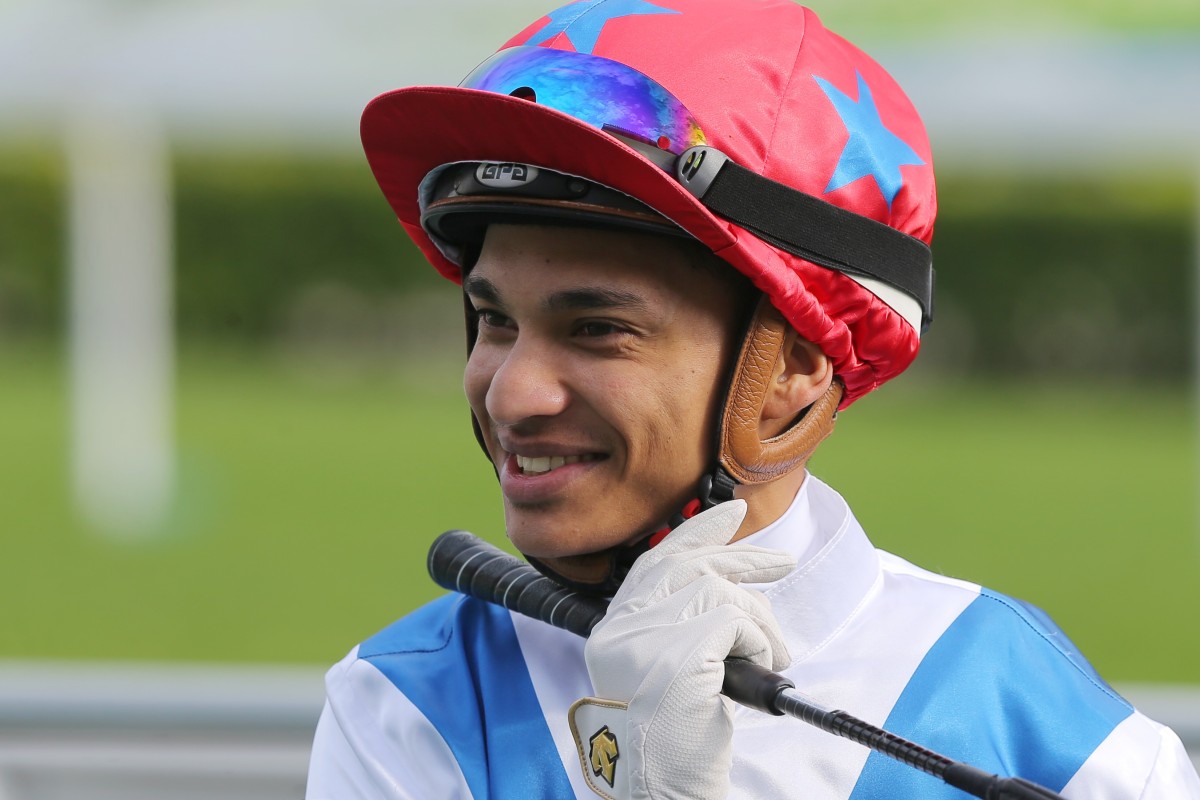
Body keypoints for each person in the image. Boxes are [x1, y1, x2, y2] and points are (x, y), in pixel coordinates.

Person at [306, 1, 1200, 798]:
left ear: (797, 367)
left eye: (596, 330)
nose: (514, 392)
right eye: (494, 320)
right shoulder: (400, 705)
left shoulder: (1063, 743)